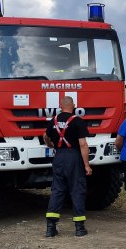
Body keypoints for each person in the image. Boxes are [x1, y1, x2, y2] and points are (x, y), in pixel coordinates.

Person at [43, 96, 93, 237]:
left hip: (59, 157)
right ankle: (79, 228)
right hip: (73, 157)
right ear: (74, 106)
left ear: (60, 106)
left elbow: (45, 137)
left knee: (58, 190)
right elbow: (83, 144)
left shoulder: (53, 121)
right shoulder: (77, 121)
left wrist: (51, 145)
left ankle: (50, 228)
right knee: (77, 189)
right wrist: (87, 165)